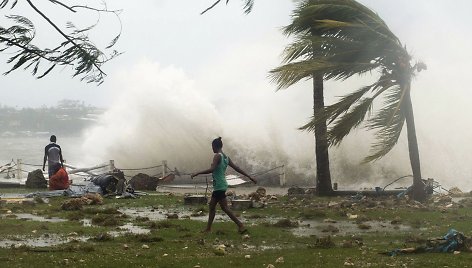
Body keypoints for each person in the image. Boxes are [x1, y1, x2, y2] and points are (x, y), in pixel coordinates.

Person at [191, 137, 257, 234]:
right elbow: (237, 168)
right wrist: (249, 176)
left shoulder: (217, 156)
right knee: (215, 206)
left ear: (215, 146)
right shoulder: (226, 157)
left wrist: (197, 173)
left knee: (220, 207)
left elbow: (212, 169)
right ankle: (210, 228)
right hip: (222, 184)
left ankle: (239, 225)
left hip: (219, 186)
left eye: (212, 147)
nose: (212, 149)